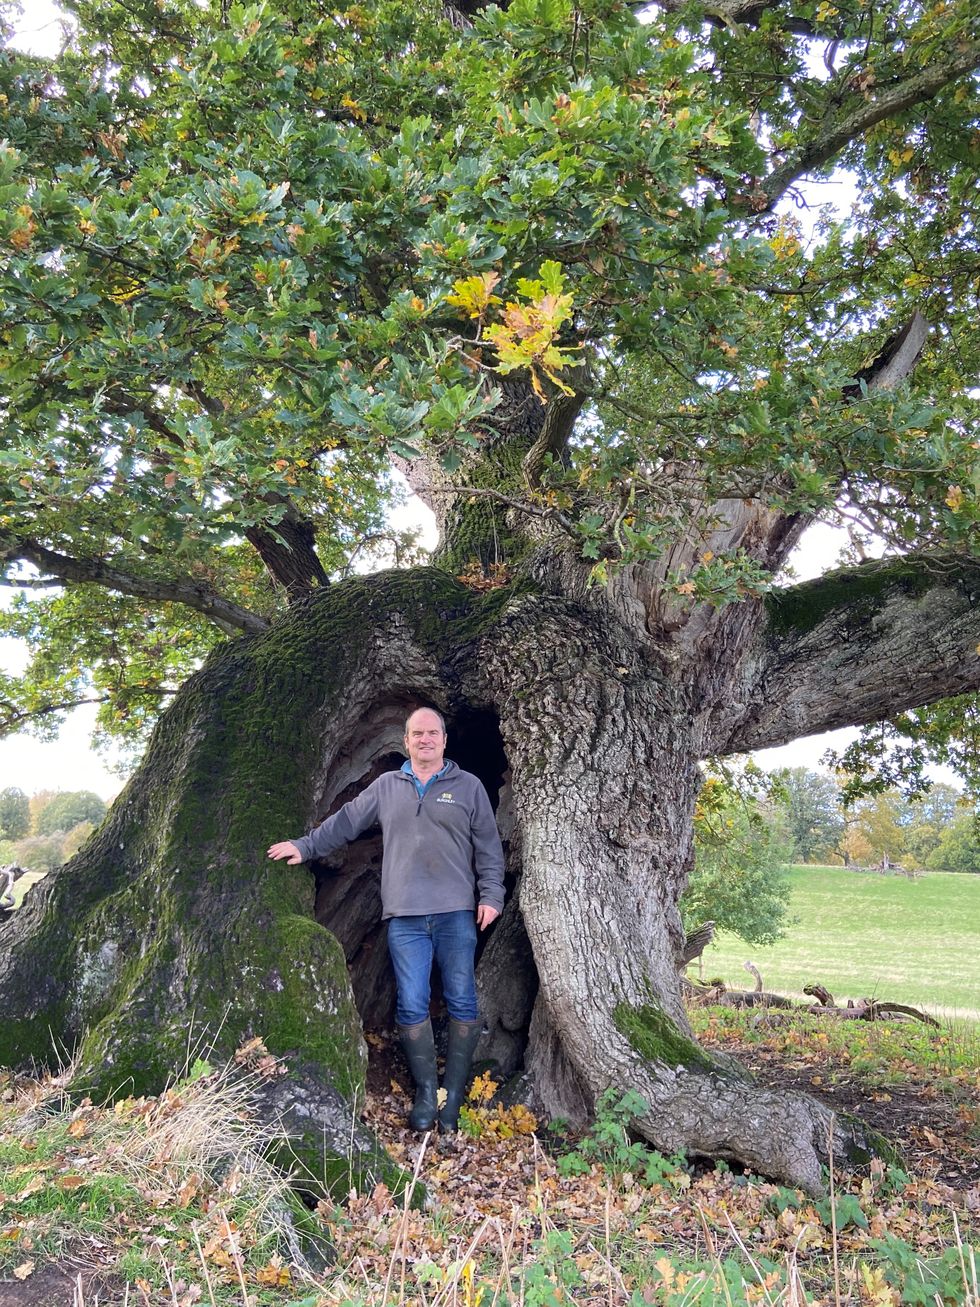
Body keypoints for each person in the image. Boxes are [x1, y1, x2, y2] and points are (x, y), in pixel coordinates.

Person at [268, 707, 504, 1133]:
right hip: (405, 917)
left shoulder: (468, 788)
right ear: (406, 741)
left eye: (433, 733)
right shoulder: (386, 786)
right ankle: (428, 1094)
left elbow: (489, 848)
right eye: (418, 734)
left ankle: (451, 1100)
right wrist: (305, 847)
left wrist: (491, 895)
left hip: (455, 912)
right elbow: (345, 822)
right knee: (412, 1003)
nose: (426, 740)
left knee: (462, 1001)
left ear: (444, 740)